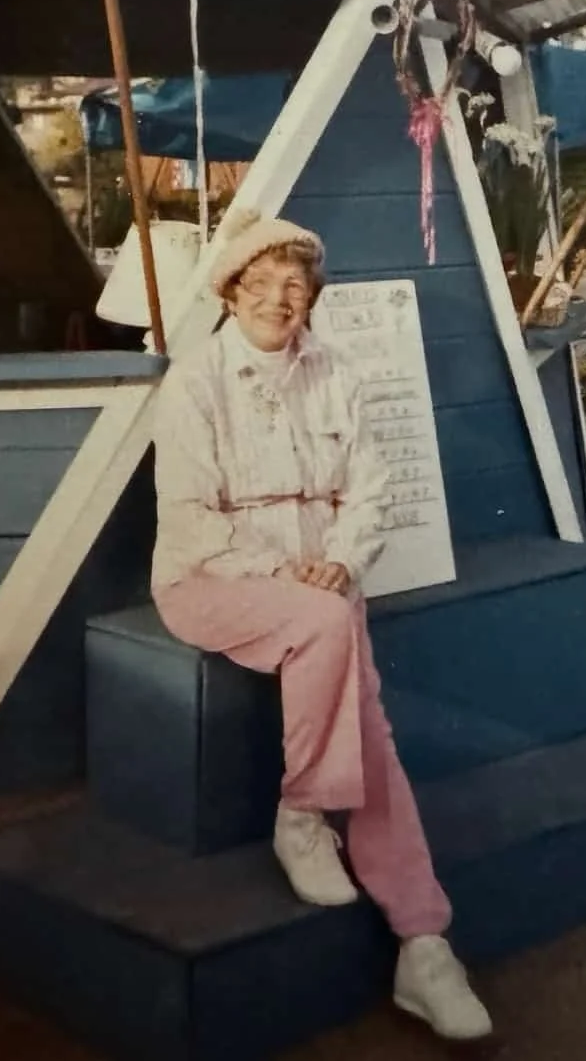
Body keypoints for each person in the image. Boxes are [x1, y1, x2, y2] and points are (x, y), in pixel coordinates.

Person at [149, 210, 493, 1042]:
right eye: (260, 285)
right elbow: (191, 522)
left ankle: (423, 941)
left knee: (367, 725)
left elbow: (369, 488)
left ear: (312, 299)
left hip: (321, 586)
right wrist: (285, 572)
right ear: (231, 294)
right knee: (326, 628)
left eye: (295, 286)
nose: (279, 298)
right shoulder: (193, 384)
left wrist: (338, 559)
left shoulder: (337, 372)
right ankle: (302, 814)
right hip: (215, 579)